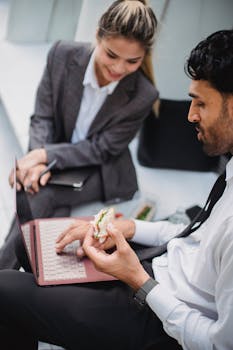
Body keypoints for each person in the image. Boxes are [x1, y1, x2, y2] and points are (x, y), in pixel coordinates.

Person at [0, 28, 232, 350]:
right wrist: (127, 227)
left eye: (200, 103)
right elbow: (192, 237)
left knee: (5, 288)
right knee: (34, 244)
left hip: (156, 315)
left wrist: (138, 280)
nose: (190, 115)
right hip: (154, 267)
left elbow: (219, 345)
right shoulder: (229, 172)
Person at [0, 0, 159, 269]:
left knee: (40, 196)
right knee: (45, 200)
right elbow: (43, 116)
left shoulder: (144, 95)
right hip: (58, 156)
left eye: (132, 61)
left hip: (101, 170)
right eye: (111, 55)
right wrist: (40, 164)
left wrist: (43, 155)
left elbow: (102, 149)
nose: (119, 68)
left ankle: (4, 273)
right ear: (98, 35)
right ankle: (32, 273)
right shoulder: (62, 54)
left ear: (144, 56)